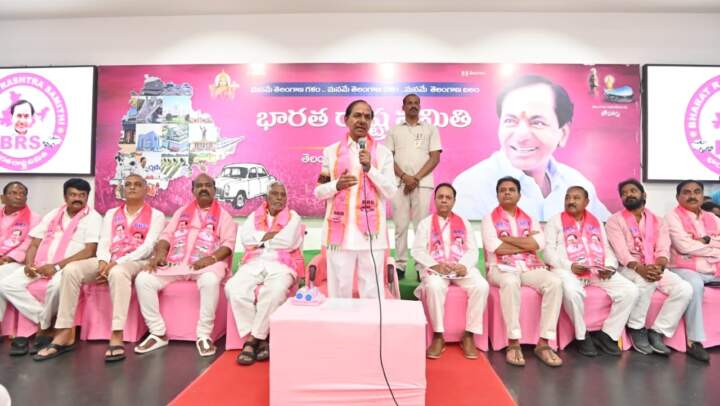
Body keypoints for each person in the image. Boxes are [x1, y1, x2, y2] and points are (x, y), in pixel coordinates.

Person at [33, 175, 165, 362]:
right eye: (128, 184)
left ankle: (117, 334)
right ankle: (64, 332)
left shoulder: (156, 215)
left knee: (118, 273)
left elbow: (148, 247)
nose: (132, 187)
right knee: (71, 270)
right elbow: (104, 240)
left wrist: (117, 263)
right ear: (122, 189)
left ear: (146, 189)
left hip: (137, 261)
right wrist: (103, 260)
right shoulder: (111, 213)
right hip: (109, 258)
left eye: (137, 185)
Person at [453, 75, 610, 222]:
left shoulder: (576, 183)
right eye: (510, 121)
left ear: (562, 134)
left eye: (537, 123)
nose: (521, 135)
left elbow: (605, 230)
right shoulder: (471, 188)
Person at [134, 173, 236, 357]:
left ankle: (204, 335)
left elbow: (228, 245)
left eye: (208, 185)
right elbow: (166, 236)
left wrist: (211, 258)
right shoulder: (181, 212)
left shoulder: (224, 216)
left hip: (206, 265)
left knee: (210, 281)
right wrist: (160, 254)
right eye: (199, 186)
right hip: (176, 262)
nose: (203, 188)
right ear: (193, 190)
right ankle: (157, 332)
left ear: (214, 190)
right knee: (143, 279)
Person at [0, 178, 101, 356]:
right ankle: (43, 320)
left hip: (67, 266)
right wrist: (29, 263)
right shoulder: (53, 214)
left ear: (87, 197)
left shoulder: (93, 218)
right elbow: (34, 243)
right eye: (73, 194)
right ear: (65, 196)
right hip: (41, 264)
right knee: (6, 285)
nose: (77, 198)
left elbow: (90, 251)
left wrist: (56, 267)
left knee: (55, 287)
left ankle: (44, 327)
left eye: (82, 195)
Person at [314, 100, 397, 298]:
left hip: (372, 237)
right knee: (339, 292)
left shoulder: (383, 153)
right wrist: (336, 185)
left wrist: (370, 169)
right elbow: (319, 192)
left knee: (372, 293)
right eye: (357, 115)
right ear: (346, 119)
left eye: (367, 117)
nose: (362, 120)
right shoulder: (331, 152)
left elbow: (391, 191)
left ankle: (371, 321)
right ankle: (339, 320)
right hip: (340, 235)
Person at [544, 186, 639, 357]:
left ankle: (608, 335)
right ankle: (582, 336)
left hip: (595, 269)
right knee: (572, 292)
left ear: (586, 202)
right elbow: (548, 252)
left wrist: (609, 267)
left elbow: (606, 248)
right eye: (568, 197)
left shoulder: (596, 222)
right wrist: (569, 266)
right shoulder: (555, 221)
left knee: (630, 290)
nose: (571, 201)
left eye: (576, 198)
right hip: (567, 269)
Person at [481, 176, 563, 367]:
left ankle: (544, 342)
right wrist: (526, 242)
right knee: (510, 282)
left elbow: (539, 244)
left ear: (519, 195)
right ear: (497, 195)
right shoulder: (488, 219)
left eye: (511, 190)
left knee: (555, 282)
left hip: (529, 266)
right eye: (502, 190)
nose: (507, 193)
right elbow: (495, 247)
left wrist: (508, 239)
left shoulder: (530, 218)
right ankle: (513, 342)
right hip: (499, 268)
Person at [606, 179, 693, 357]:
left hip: (654, 265)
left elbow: (663, 248)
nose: (628, 195)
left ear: (643, 195)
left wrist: (659, 267)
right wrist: (641, 269)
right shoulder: (614, 221)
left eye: (633, 191)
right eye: (624, 193)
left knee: (684, 289)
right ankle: (636, 327)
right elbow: (622, 253)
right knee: (646, 281)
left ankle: (658, 331)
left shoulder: (658, 221)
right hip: (628, 267)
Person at [225, 182, 304, 366]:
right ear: (267, 198)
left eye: (282, 195)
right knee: (232, 288)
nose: (279, 198)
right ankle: (261, 339)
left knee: (275, 292)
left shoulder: (294, 217)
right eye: (275, 194)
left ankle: (252, 340)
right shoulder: (254, 216)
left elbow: (287, 242)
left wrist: (260, 239)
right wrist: (271, 237)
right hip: (254, 261)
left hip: (281, 263)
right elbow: (246, 240)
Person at [412, 183, 488, 359]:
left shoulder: (464, 222)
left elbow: (473, 250)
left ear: (454, 201)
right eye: (440, 197)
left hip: (460, 269)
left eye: (448, 197)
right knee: (434, 287)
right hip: (437, 269)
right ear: (435, 200)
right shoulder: (425, 223)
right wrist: (435, 265)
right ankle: (438, 336)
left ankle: (469, 335)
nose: (444, 200)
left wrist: (463, 266)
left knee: (481, 286)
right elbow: (417, 251)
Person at [385, 94, 442, 279]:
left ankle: (421, 266)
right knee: (400, 226)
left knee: (421, 227)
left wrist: (415, 178)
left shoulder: (430, 129)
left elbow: (435, 157)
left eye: (416, 103)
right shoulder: (394, 131)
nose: (413, 106)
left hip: (422, 184)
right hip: (399, 183)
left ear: (420, 106)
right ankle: (400, 265)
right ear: (403, 107)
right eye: (409, 103)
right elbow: (388, 159)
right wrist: (404, 177)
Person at [665, 179, 720, 362]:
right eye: (687, 192)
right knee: (694, 284)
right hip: (683, 268)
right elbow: (684, 247)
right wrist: (714, 246)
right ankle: (694, 341)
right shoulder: (672, 217)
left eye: (696, 192)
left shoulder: (712, 218)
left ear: (702, 196)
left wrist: (706, 241)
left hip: (712, 267)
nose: (692, 196)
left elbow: (694, 245)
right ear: (677, 197)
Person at [0, 182, 41, 332]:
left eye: (22, 194)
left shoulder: (34, 218)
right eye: (13, 193)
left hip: (18, 261)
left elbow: (28, 244)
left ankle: (43, 317)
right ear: (3, 198)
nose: (19, 196)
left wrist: (8, 258)